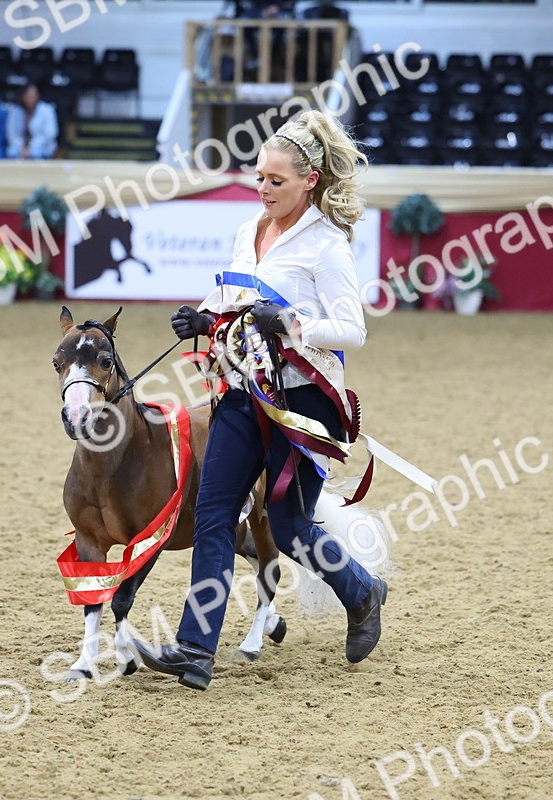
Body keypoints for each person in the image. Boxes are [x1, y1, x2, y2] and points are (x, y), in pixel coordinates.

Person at [133, 110, 388, 691]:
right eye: (259, 178)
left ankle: (363, 591)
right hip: (246, 389)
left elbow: (353, 330)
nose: (264, 189)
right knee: (214, 511)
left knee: (292, 523)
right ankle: (196, 650)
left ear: (309, 182)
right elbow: (231, 294)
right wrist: (202, 314)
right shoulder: (247, 231)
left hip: (303, 407)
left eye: (276, 180)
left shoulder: (327, 246)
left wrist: (292, 322)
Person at [6, 85, 60, 160]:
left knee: (36, 154)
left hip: (42, 146)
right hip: (20, 147)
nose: (31, 99)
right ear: (23, 97)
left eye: (33, 96)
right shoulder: (15, 111)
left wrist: (31, 148)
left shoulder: (47, 110)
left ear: (38, 96)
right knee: (12, 153)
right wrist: (21, 147)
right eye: (29, 96)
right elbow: (12, 134)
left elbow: (51, 133)